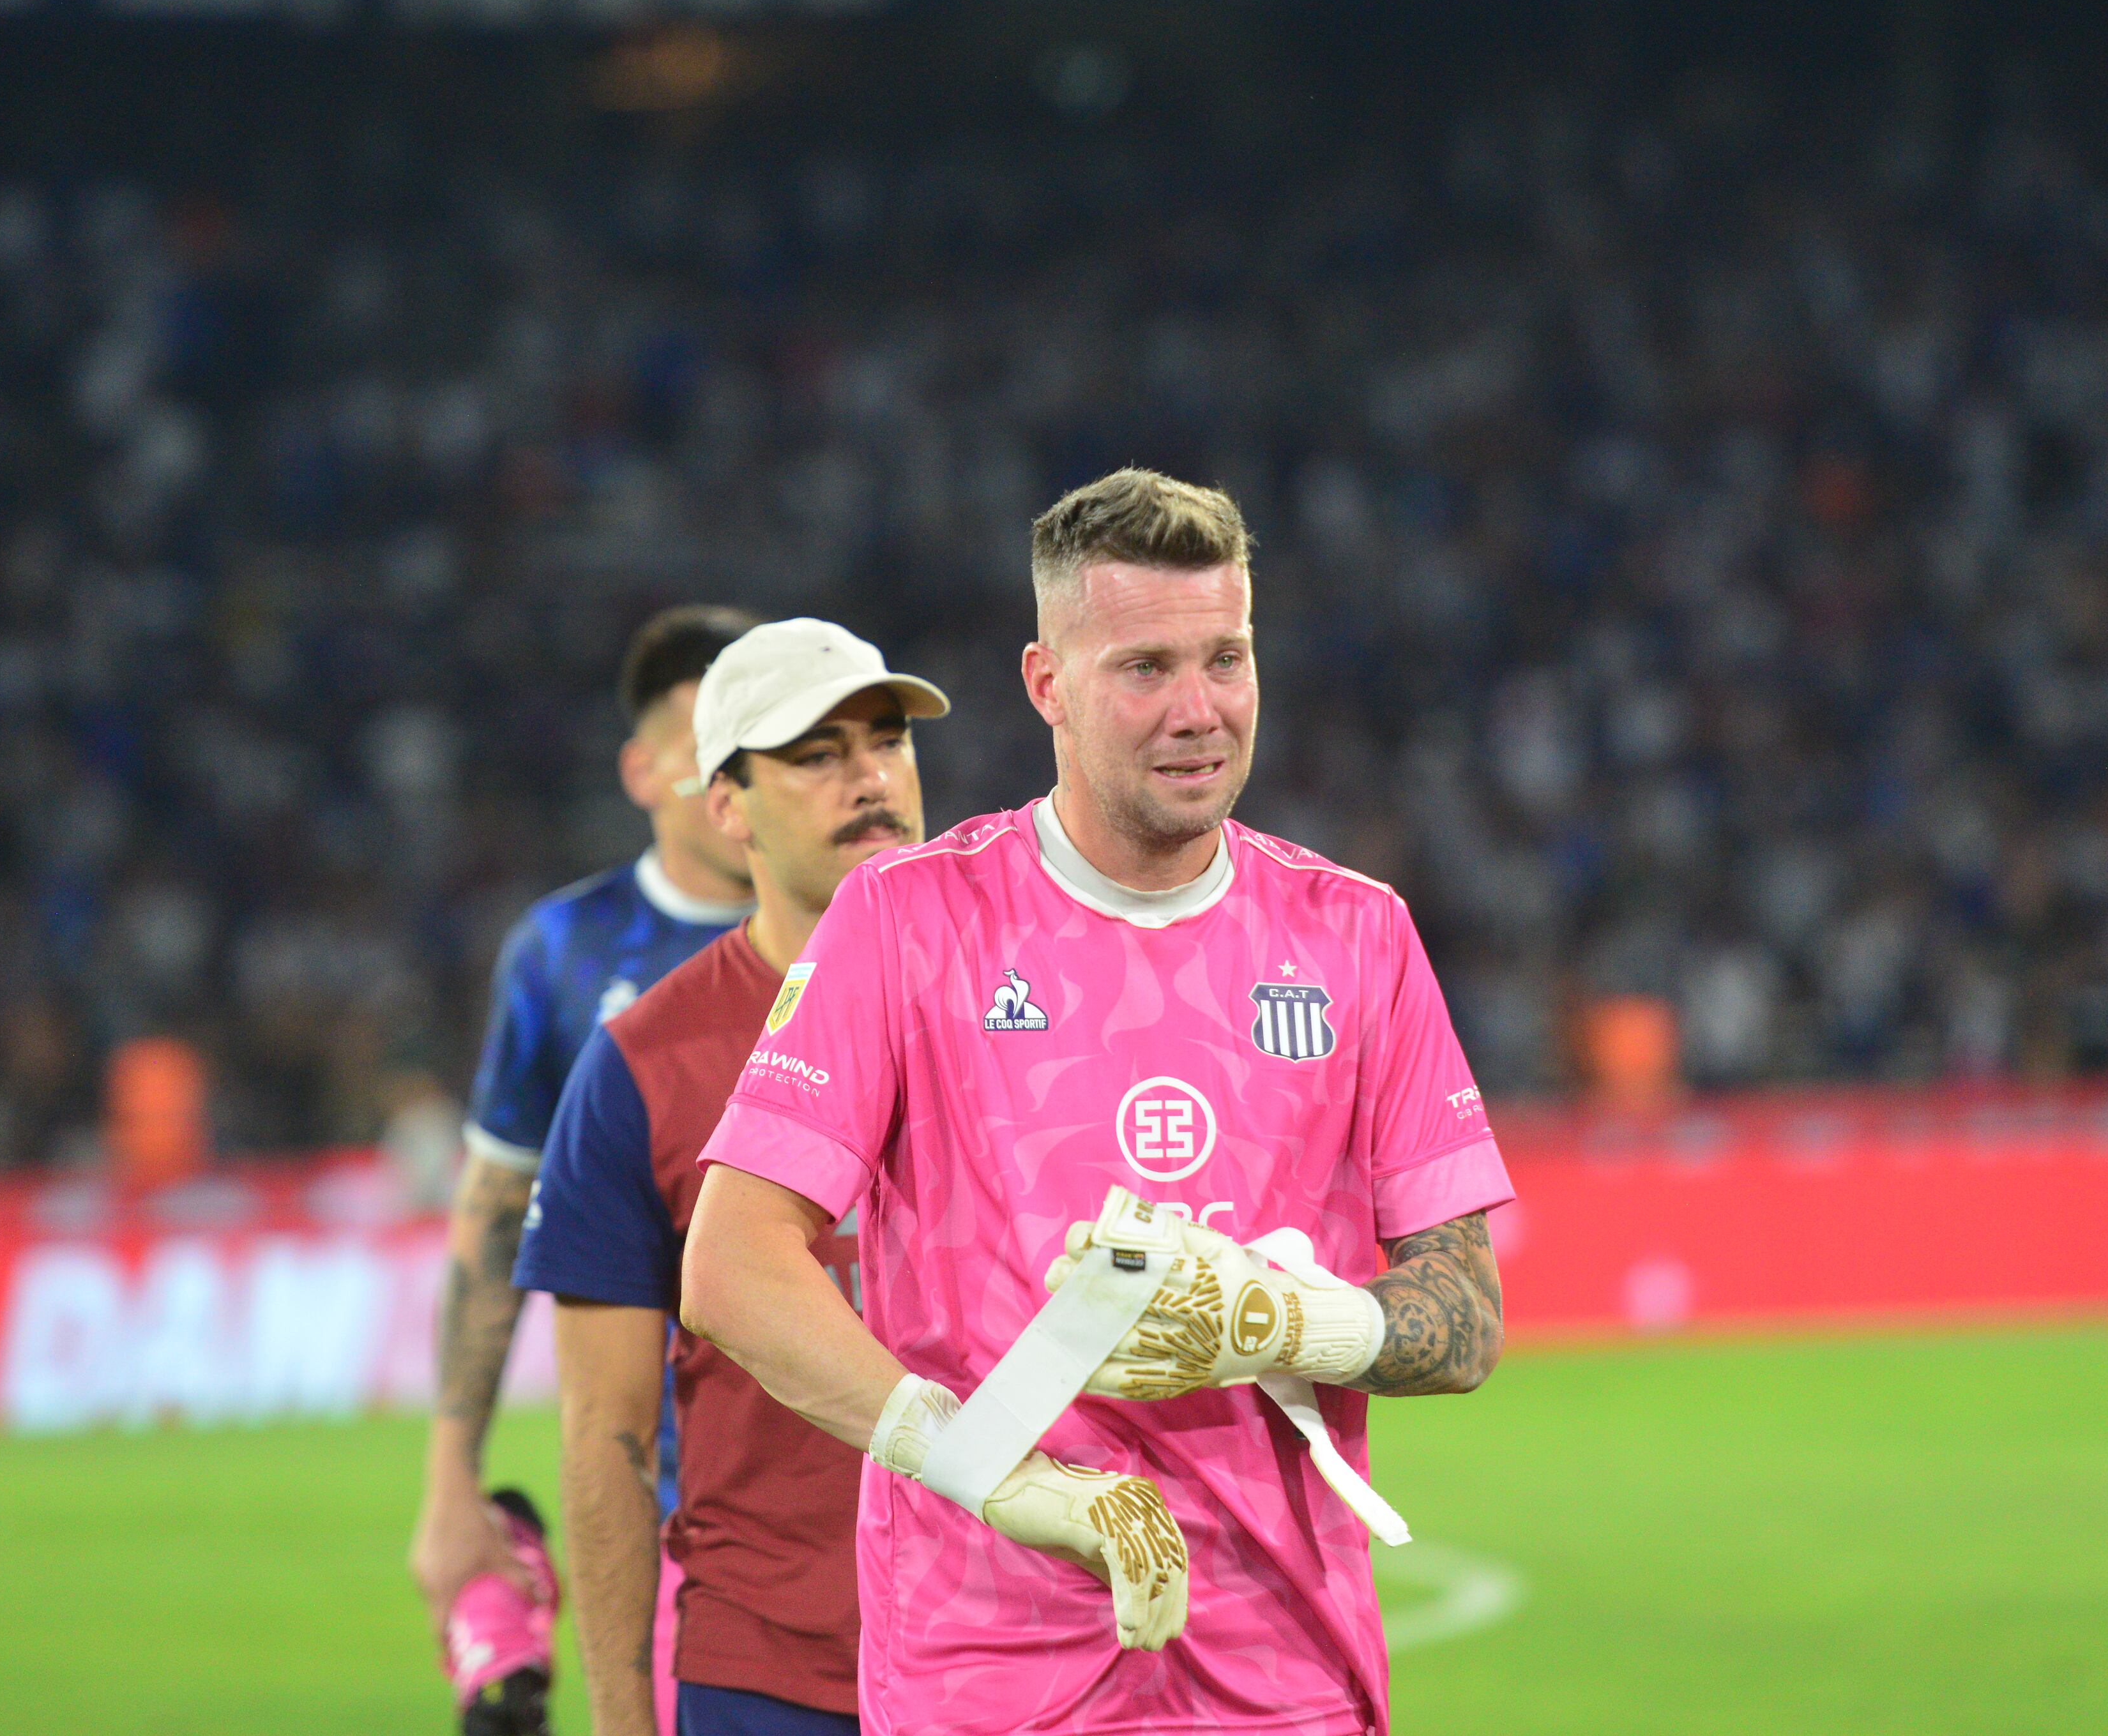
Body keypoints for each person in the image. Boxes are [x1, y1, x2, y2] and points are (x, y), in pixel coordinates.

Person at [678, 468, 1512, 1736]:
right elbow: (734, 1266)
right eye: (1144, 668)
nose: (1199, 710)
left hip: (1284, 1682)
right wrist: (998, 1475)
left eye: (1225, 658)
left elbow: (1464, 1319)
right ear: (1045, 683)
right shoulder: (909, 923)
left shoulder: (1357, 936)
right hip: (982, 1678)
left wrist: (1284, 1319)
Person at [515, 619, 947, 1736]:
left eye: (888, 741)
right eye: (815, 755)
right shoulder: (640, 1067)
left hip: (1019, 1651)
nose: (868, 777)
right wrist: (621, 1717)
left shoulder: (1034, 1003)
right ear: (725, 806)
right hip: (774, 1676)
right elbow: (605, 1433)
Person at [411, 606, 759, 1624]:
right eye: (709, 751)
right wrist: (448, 1482)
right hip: (666, 1499)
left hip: (880, 1469)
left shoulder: (870, 923)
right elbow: (493, 1208)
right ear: (644, 772)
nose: (735, 778)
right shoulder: (564, 951)